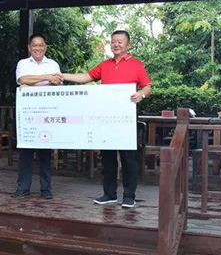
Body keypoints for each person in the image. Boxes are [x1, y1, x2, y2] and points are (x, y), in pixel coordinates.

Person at [60, 30, 152, 209]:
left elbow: (148, 86)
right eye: (113, 41)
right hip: (106, 118)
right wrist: (64, 76)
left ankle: (129, 196)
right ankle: (109, 194)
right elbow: (86, 77)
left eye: (120, 41)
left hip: (126, 117)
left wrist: (141, 94)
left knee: (128, 158)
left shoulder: (136, 65)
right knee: (108, 157)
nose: (116, 44)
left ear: (128, 45)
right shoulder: (104, 65)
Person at [13, 34, 62, 200]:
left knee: (45, 151)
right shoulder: (23, 63)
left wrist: (35, 82)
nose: (38, 48)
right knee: (25, 151)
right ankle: (23, 187)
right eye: (34, 45)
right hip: (28, 113)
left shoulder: (53, 64)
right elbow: (23, 79)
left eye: (41, 45)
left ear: (45, 47)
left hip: (48, 112)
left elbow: (57, 83)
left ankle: (46, 189)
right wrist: (47, 77)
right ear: (29, 47)